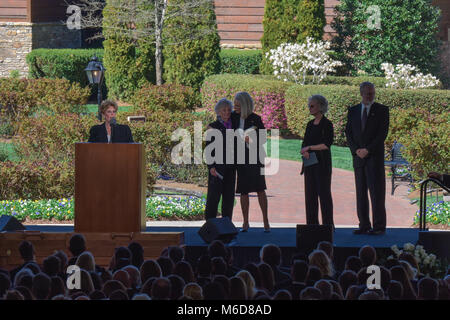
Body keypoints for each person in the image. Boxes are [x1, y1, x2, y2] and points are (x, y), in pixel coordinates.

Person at [345, 82, 389, 235]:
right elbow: (348, 133)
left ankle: (379, 227)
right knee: (361, 193)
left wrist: (368, 149)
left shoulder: (382, 110)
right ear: (361, 93)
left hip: (374, 158)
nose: (371, 96)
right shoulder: (353, 111)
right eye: (368, 93)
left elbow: (382, 134)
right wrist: (356, 150)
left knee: (377, 193)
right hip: (358, 158)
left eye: (372, 93)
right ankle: (364, 225)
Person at [232, 91, 270, 232]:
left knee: (260, 188)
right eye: (234, 105)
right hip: (240, 158)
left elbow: (264, 139)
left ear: (245, 105)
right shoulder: (233, 118)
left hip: (255, 158)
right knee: (243, 191)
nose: (235, 107)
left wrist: (250, 139)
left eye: (237, 105)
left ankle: (266, 221)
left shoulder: (256, 119)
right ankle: (245, 222)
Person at [300, 95, 334, 228]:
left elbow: (327, 144)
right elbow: (304, 143)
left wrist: (310, 148)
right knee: (310, 196)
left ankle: (328, 226)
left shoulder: (327, 124)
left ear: (320, 107)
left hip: (323, 165)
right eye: (309, 105)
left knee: (324, 196)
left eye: (312, 106)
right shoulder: (309, 124)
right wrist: (305, 150)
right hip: (310, 164)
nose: (310, 108)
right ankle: (312, 226)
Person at [204, 98, 237, 220]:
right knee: (213, 198)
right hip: (217, 168)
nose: (227, 112)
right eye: (224, 110)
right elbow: (208, 149)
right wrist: (211, 166)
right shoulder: (212, 127)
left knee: (229, 199)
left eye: (229, 110)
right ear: (218, 112)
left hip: (231, 167)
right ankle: (210, 225)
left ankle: (227, 225)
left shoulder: (234, 126)